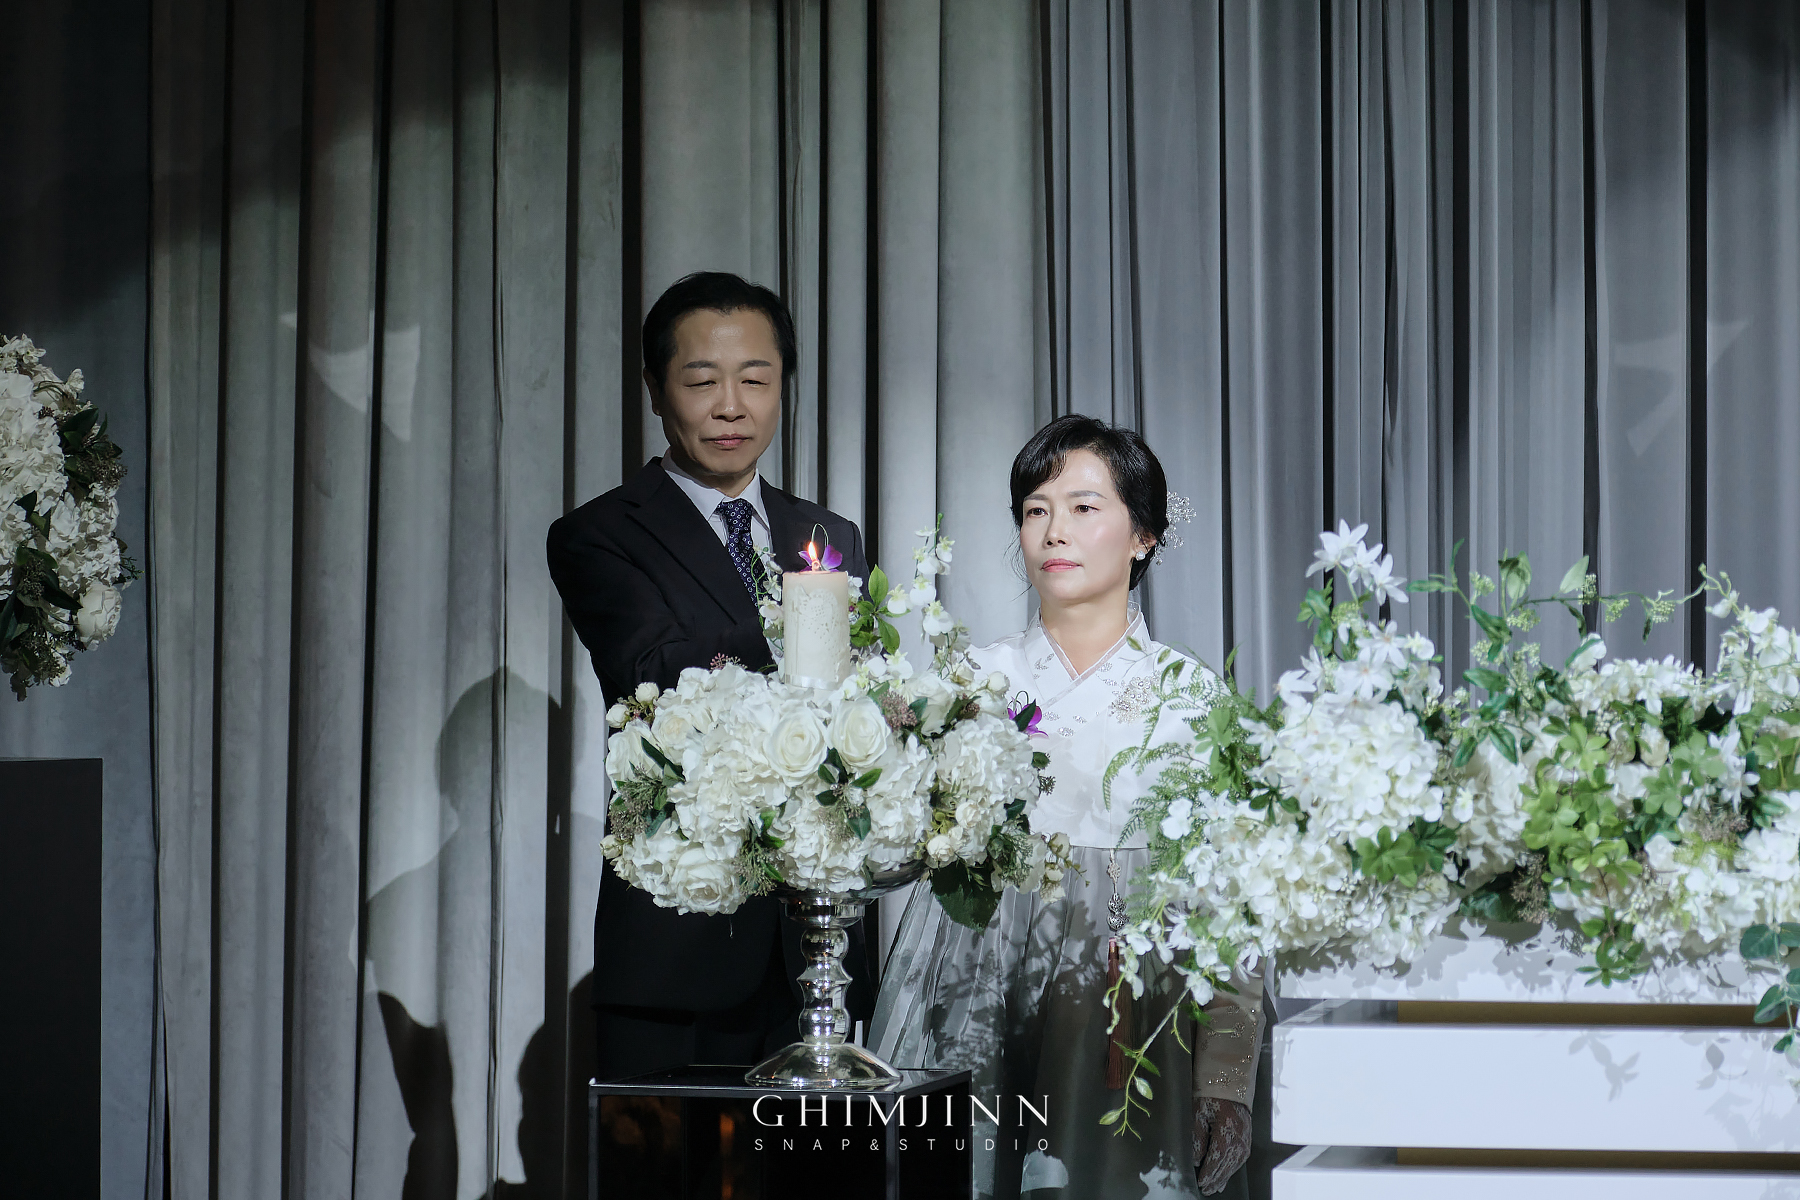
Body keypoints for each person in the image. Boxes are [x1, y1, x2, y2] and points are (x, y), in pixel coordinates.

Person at [870, 415, 1262, 1199]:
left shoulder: (1193, 699)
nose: (1055, 530)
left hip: (1133, 1007)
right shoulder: (970, 684)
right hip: (983, 997)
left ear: (1144, 534)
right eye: (1036, 509)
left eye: (1084, 507)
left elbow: (1234, 903)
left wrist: (1226, 1075)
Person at [547, 271, 877, 1081]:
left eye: (755, 380)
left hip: (815, 942)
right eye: (702, 381)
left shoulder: (826, 531)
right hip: (679, 945)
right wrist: (803, 620)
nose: (731, 406)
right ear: (656, 389)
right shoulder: (598, 534)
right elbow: (655, 674)